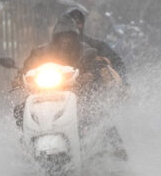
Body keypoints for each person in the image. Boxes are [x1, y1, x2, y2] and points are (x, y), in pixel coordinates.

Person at [17, 14, 127, 160]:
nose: (65, 41)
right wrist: (19, 76)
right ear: (55, 38)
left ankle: (117, 152)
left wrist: (91, 74)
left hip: (79, 94)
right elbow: (27, 67)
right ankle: (24, 148)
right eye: (62, 37)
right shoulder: (41, 52)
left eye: (69, 37)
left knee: (99, 114)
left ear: (75, 37)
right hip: (46, 95)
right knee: (19, 110)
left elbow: (97, 65)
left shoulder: (86, 50)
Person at [64, 6, 128, 83]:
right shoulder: (55, 46)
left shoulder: (96, 45)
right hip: (58, 84)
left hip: (87, 86)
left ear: (83, 24)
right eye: (71, 22)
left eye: (78, 22)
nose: (75, 25)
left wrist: (123, 82)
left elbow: (117, 62)